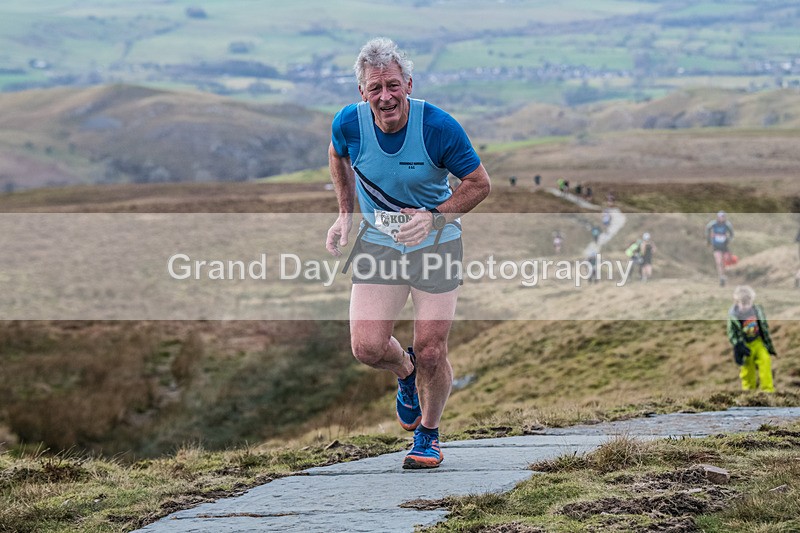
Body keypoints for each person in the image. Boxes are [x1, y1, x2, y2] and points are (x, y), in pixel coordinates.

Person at [326, 38, 491, 469]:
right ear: (362, 93)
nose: (386, 97)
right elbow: (336, 153)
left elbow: (479, 184)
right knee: (366, 347)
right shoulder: (349, 123)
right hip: (380, 244)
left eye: (393, 86)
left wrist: (435, 216)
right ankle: (405, 372)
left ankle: (428, 435)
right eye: (375, 88)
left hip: (436, 244)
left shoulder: (438, 126)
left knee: (432, 348)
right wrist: (346, 214)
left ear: (409, 84)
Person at [726, 285, 776, 392]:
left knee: (765, 361)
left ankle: (768, 391)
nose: (746, 306)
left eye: (748, 303)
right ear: (737, 302)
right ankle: (749, 393)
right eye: (743, 303)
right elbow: (731, 333)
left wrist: (767, 341)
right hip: (745, 345)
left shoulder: (757, 311)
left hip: (758, 342)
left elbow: (763, 325)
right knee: (747, 369)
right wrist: (737, 345)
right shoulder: (734, 316)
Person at [705, 210, 734, 286]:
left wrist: (729, 239)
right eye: (720, 217)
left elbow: (732, 234)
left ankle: (724, 275)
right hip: (716, 246)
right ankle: (721, 277)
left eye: (723, 217)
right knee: (718, 262)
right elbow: (707, 229)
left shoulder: (727, 225)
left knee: (725, 262)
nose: (721, 218)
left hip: (724, 246)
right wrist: (709, 240)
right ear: (717, 217)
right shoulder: (713, 224)